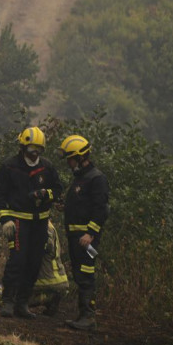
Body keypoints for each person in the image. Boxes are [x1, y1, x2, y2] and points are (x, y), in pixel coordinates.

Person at [0, 126, 64, 319]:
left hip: (40, 224)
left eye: (39, 150)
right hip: (18, 222)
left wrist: (46, 194)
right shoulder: (9, 167)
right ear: (22, 147)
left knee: (34, 263)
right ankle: (8, 301)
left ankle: (22, 303)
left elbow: (58, 190)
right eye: (32, 150)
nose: (35, 154)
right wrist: (5, 220)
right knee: (17, 260)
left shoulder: (47, 167)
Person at [59, 134, 110, 331]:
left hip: (87, 240)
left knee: (86, 274)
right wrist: (65, 206)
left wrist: (90, 234)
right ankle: (83, 315)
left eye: (70, 159)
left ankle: (89, 316)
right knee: (79, 275)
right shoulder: (81, 178)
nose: (69, 164)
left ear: (80, 157)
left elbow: (101, 210)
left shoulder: (96, 178)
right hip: (76, 238)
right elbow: (82, 205)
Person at [29, 220, 69, 316]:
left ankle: (50, 298)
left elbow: (48, 246)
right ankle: (50, 299)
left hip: (50, 280)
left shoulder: (45, 226)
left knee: (18, 301)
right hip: (55, 279)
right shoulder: (45, 224)